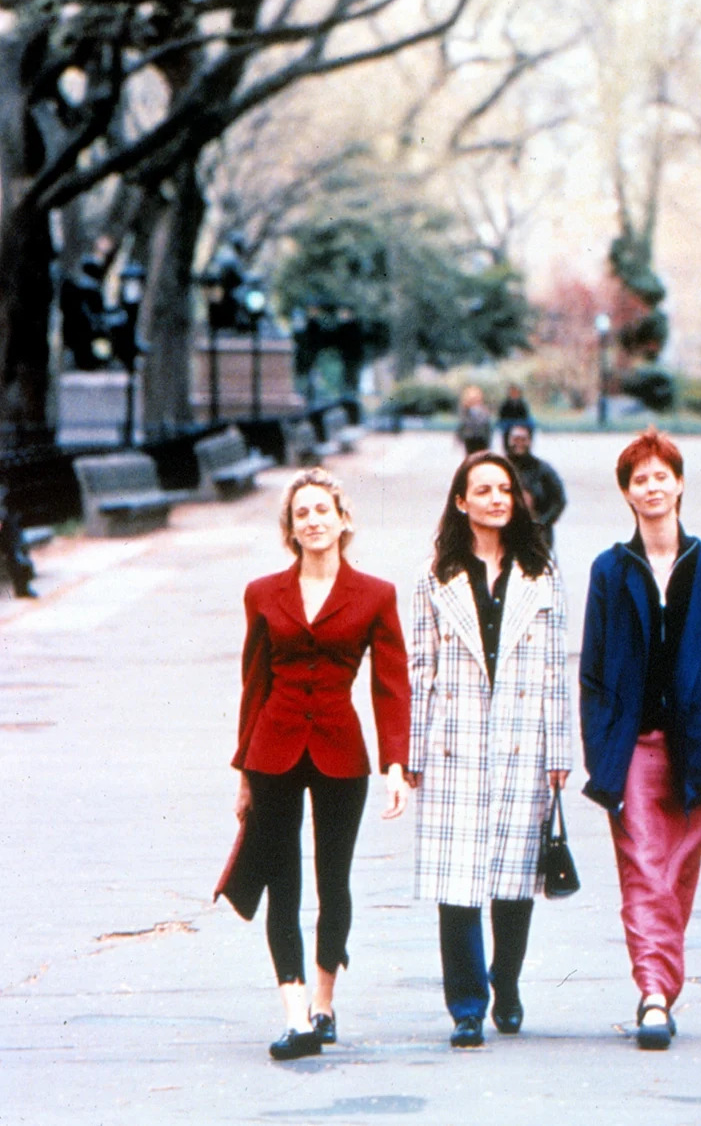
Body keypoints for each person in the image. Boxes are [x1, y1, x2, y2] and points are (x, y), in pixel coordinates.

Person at [217, 468, 410, 1061]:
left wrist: (395, 764)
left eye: (323, 509)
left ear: (343, 519)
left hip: (339, 750)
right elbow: (253, 683)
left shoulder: (375, 594)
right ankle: (296, 1015)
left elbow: (390, 685)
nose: (313, 521)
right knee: (282, 880)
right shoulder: (262, 593)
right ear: (290, 528)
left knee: (334, 881)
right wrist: (243, 771)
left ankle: (324, 1003)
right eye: (301, 513)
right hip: (273, 749)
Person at [579, 428, 701, 1051]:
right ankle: (653, 993)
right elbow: (593, 667)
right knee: (645, 867)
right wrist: (601, 749)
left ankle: (661, 984)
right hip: (633, 745)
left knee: (676, 872)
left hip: (700, 747)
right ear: (626, 493)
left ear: (679, 484)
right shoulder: (609, 570)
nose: (651, 487)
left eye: (661, 476)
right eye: (639, 479)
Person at [408, 451, 571, 1048]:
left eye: (505, 489)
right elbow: (420, 668)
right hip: (455, 743)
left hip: (524, 742)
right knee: (457, 881)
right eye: (484, 490)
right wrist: (413, 755)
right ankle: (467, 1005)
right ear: (461, 502)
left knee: (514, 877)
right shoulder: (435, 577)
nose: (498, 499)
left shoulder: (541, 574)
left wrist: (560, 751)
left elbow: (555, 669)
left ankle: (507, 981)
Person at [504, 423, 567, 547]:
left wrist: (543, 522)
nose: (519, 443)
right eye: (515, 439)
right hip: (505, 533)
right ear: (508, 440)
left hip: (537, 536)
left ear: (530, 441)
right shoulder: (499, 468)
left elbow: (559, 500)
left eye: (523, 439)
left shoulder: (544, 470)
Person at [456, 385, 492, 455]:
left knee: (481, 457)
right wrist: (459, 438)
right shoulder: (465, 411)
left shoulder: (484, 411)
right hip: (470, 439)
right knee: (471, 457)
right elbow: (462, 425)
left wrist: (488, 441)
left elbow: (487, 427)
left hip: (481, 439)